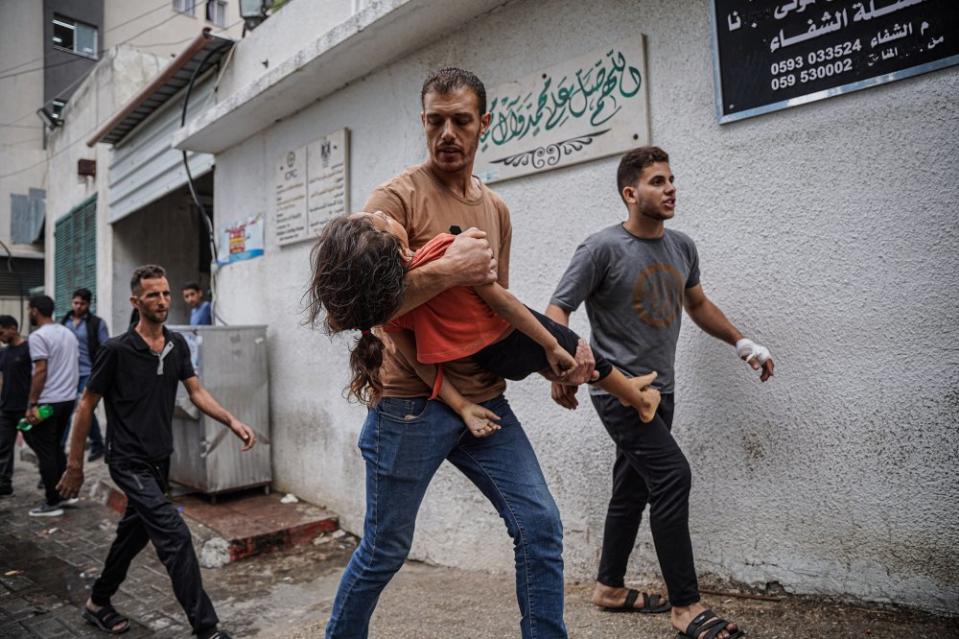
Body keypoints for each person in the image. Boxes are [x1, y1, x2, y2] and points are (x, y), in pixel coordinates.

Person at [315, 68, 592, 639]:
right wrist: (447, 270)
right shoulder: (393, 200)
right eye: (435, 120)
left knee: (539, 525)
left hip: (486, 401)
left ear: (483, 124)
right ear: (423, 122)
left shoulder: (497, 210)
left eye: (461, 120)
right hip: (411, 405)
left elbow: (494, 316)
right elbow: (349, 310)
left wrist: (549, 366)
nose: (447, 132)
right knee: (385, 549)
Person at [545, 146, 775, 639]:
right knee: (672, 476)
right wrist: (562, 366)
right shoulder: (600, 248)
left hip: (662, 392)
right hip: (619, 391)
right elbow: (556, 310)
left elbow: (697, 303)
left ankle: (608, 587)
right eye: (656, 181)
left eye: (671, 179)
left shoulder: (682, 247)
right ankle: (686, 608)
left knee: (631, 487)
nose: (670, 188)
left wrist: (742, 342)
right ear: (630, 193)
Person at [309, 212, 662, 436]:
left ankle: (630, 384)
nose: (381, 210)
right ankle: (638, 399)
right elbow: (504, 302)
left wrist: (461, 405)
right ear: (400, 251)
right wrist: (550, 344)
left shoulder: (390, 312)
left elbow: (422, 365)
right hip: (512, 332)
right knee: (578, 352)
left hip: (490, 359)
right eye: (381, 219)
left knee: (565, 364)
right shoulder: (444, 251)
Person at [56, 264, 255, 638]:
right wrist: (75, 465)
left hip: (159, 461)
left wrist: (231, 420)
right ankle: (207, 629)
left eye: (165, 293)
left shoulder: (176, 345)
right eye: (153, 294)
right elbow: (86, 405)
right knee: (175, 535)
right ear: (136, 300)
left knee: (134, 534)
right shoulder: (116, 350)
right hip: (128, 462)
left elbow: (195, 391)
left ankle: (98, 602)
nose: (162, 300)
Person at [21, 295, 79, 517]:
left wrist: (32, 403)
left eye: (29, 309)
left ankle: (52, 501)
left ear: (35, 310)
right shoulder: (68, 333)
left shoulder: (38, 336)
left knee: (46, 450)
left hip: (48, 401)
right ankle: (66, 493)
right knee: (55, 448)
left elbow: (41, 371)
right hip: (66, 400)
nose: (29, 313)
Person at [60, 287, 108, 461]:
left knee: (81, 407)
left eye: (82, 303)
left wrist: (101, 373)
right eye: (75, 303)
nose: (78, 306)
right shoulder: (64, 321)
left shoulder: (97, 323)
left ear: (89, 304)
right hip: (68, 374)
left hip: (88, 372)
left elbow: (105, 349)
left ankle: (63, 447)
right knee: (79, 409)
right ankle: (97, 444)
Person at [0, 315, 31, 496]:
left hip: (25, 408)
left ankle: (48, 479)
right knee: (3, 446)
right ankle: (4, 483)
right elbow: (3, 378)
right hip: (6, 408)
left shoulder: (29, 349)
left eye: (2, 332)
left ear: (13, 328)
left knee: (37, 444)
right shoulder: (3, 353)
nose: (0, 336)